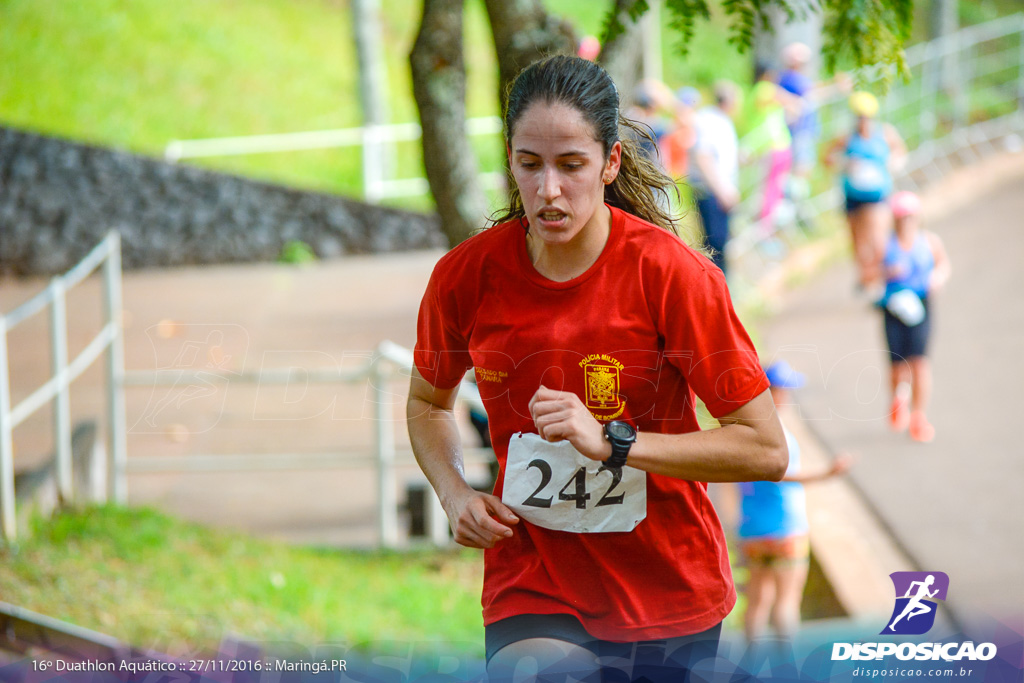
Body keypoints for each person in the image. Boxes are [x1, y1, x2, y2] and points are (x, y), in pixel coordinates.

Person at [407, 55, 788, 682]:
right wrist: (454, 495)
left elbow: (766, 450)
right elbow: (428, 403)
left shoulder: (673, 277)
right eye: (529, 165)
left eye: (571, 166)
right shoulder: (465, 277)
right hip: (533, 583)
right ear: (509, 158)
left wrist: (614, 442)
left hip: (667, 592)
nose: (548, 190)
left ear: (610, 163)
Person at [735, 361, 852, 643]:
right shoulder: (776, 435)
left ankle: (751, 667)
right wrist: (827, 474)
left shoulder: (740, 431)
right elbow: (782, 475)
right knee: (786, 602)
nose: (785, 396)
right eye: (779, 390)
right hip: (786, 527)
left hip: (752, 529)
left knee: (758, 601)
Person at [879, 191, 951, 443]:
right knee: (898, 365)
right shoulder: (885, 244)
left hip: (921, 304)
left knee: (919, 362)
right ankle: (898, 399)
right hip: (893, 307)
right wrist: (886, 272)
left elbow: (943, 265)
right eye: (901, 216)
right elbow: (868, 274)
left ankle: (919, 416)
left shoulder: (929, 241)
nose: (906, 221)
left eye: (910, 216)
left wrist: (937, 278)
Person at [825, 92, 907, 292]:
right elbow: (826, 158)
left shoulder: (885, 133)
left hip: (877, 195)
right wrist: (844, 164)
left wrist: (892, 164)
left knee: (879, 239)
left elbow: (901, 153)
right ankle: (866, 278)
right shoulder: (846, 137)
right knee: (858, 241)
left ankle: (881, 276)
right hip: (853, 195)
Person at [689, 80, 741, 276]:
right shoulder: (710, 121)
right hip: (712, 191)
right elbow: (703, 158)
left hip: (717, 190)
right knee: (715, 244)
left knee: (721, 243)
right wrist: (723, 191)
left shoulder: (719, 120)